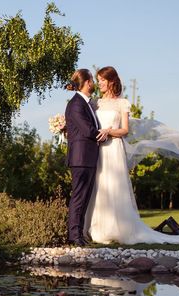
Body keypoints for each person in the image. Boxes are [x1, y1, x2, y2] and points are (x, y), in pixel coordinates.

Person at [84, 66, 179, 245]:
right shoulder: (95, 103)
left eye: (102, 80)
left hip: (114, 148)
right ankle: (97, 229)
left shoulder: (122, 103)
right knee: (100, 185)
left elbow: (125, 130)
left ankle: (117, 229)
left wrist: (109, 131)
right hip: (99, 149)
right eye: (98, 79)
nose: (99, 83)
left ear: (111, 81)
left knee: (114, 186)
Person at [64, 69, 108, 247]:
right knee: (79, 197)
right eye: (91, 80)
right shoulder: (76, 104)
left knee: (84, 197)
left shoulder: (85, 103)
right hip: (81, 158)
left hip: (87, 157)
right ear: (87, 82)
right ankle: (74, 236)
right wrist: (104, 134)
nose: (94, 83)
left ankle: (79, 234)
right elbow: (88, 130)